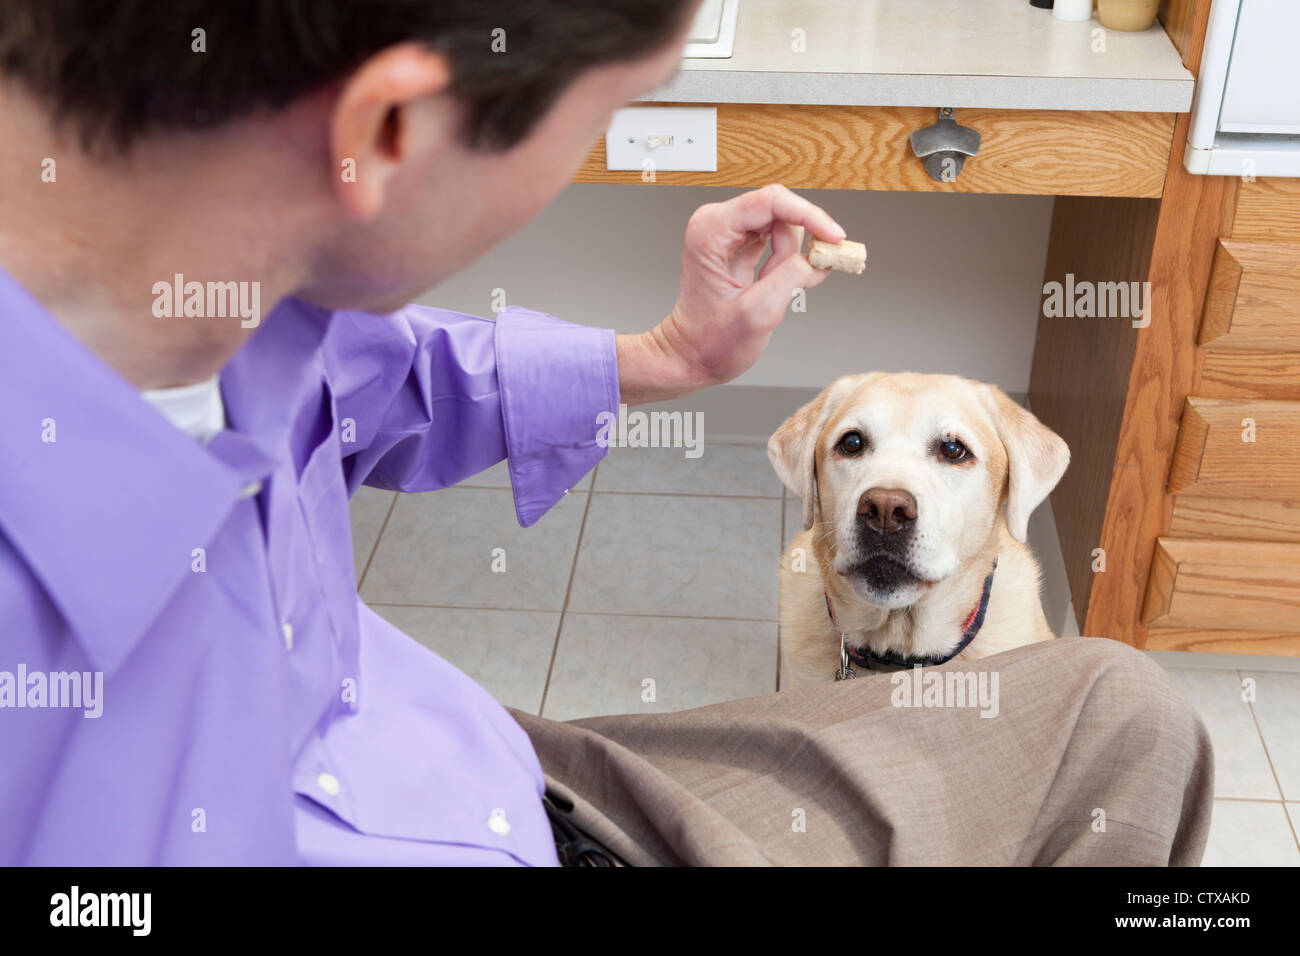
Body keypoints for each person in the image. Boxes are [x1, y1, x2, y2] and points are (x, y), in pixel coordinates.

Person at [0, 1, 1213, 866]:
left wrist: (665, 356)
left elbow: (389, 375)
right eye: (600, 122)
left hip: (509, 775)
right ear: (384, 134)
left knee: (1124, 709)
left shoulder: (244, 299)